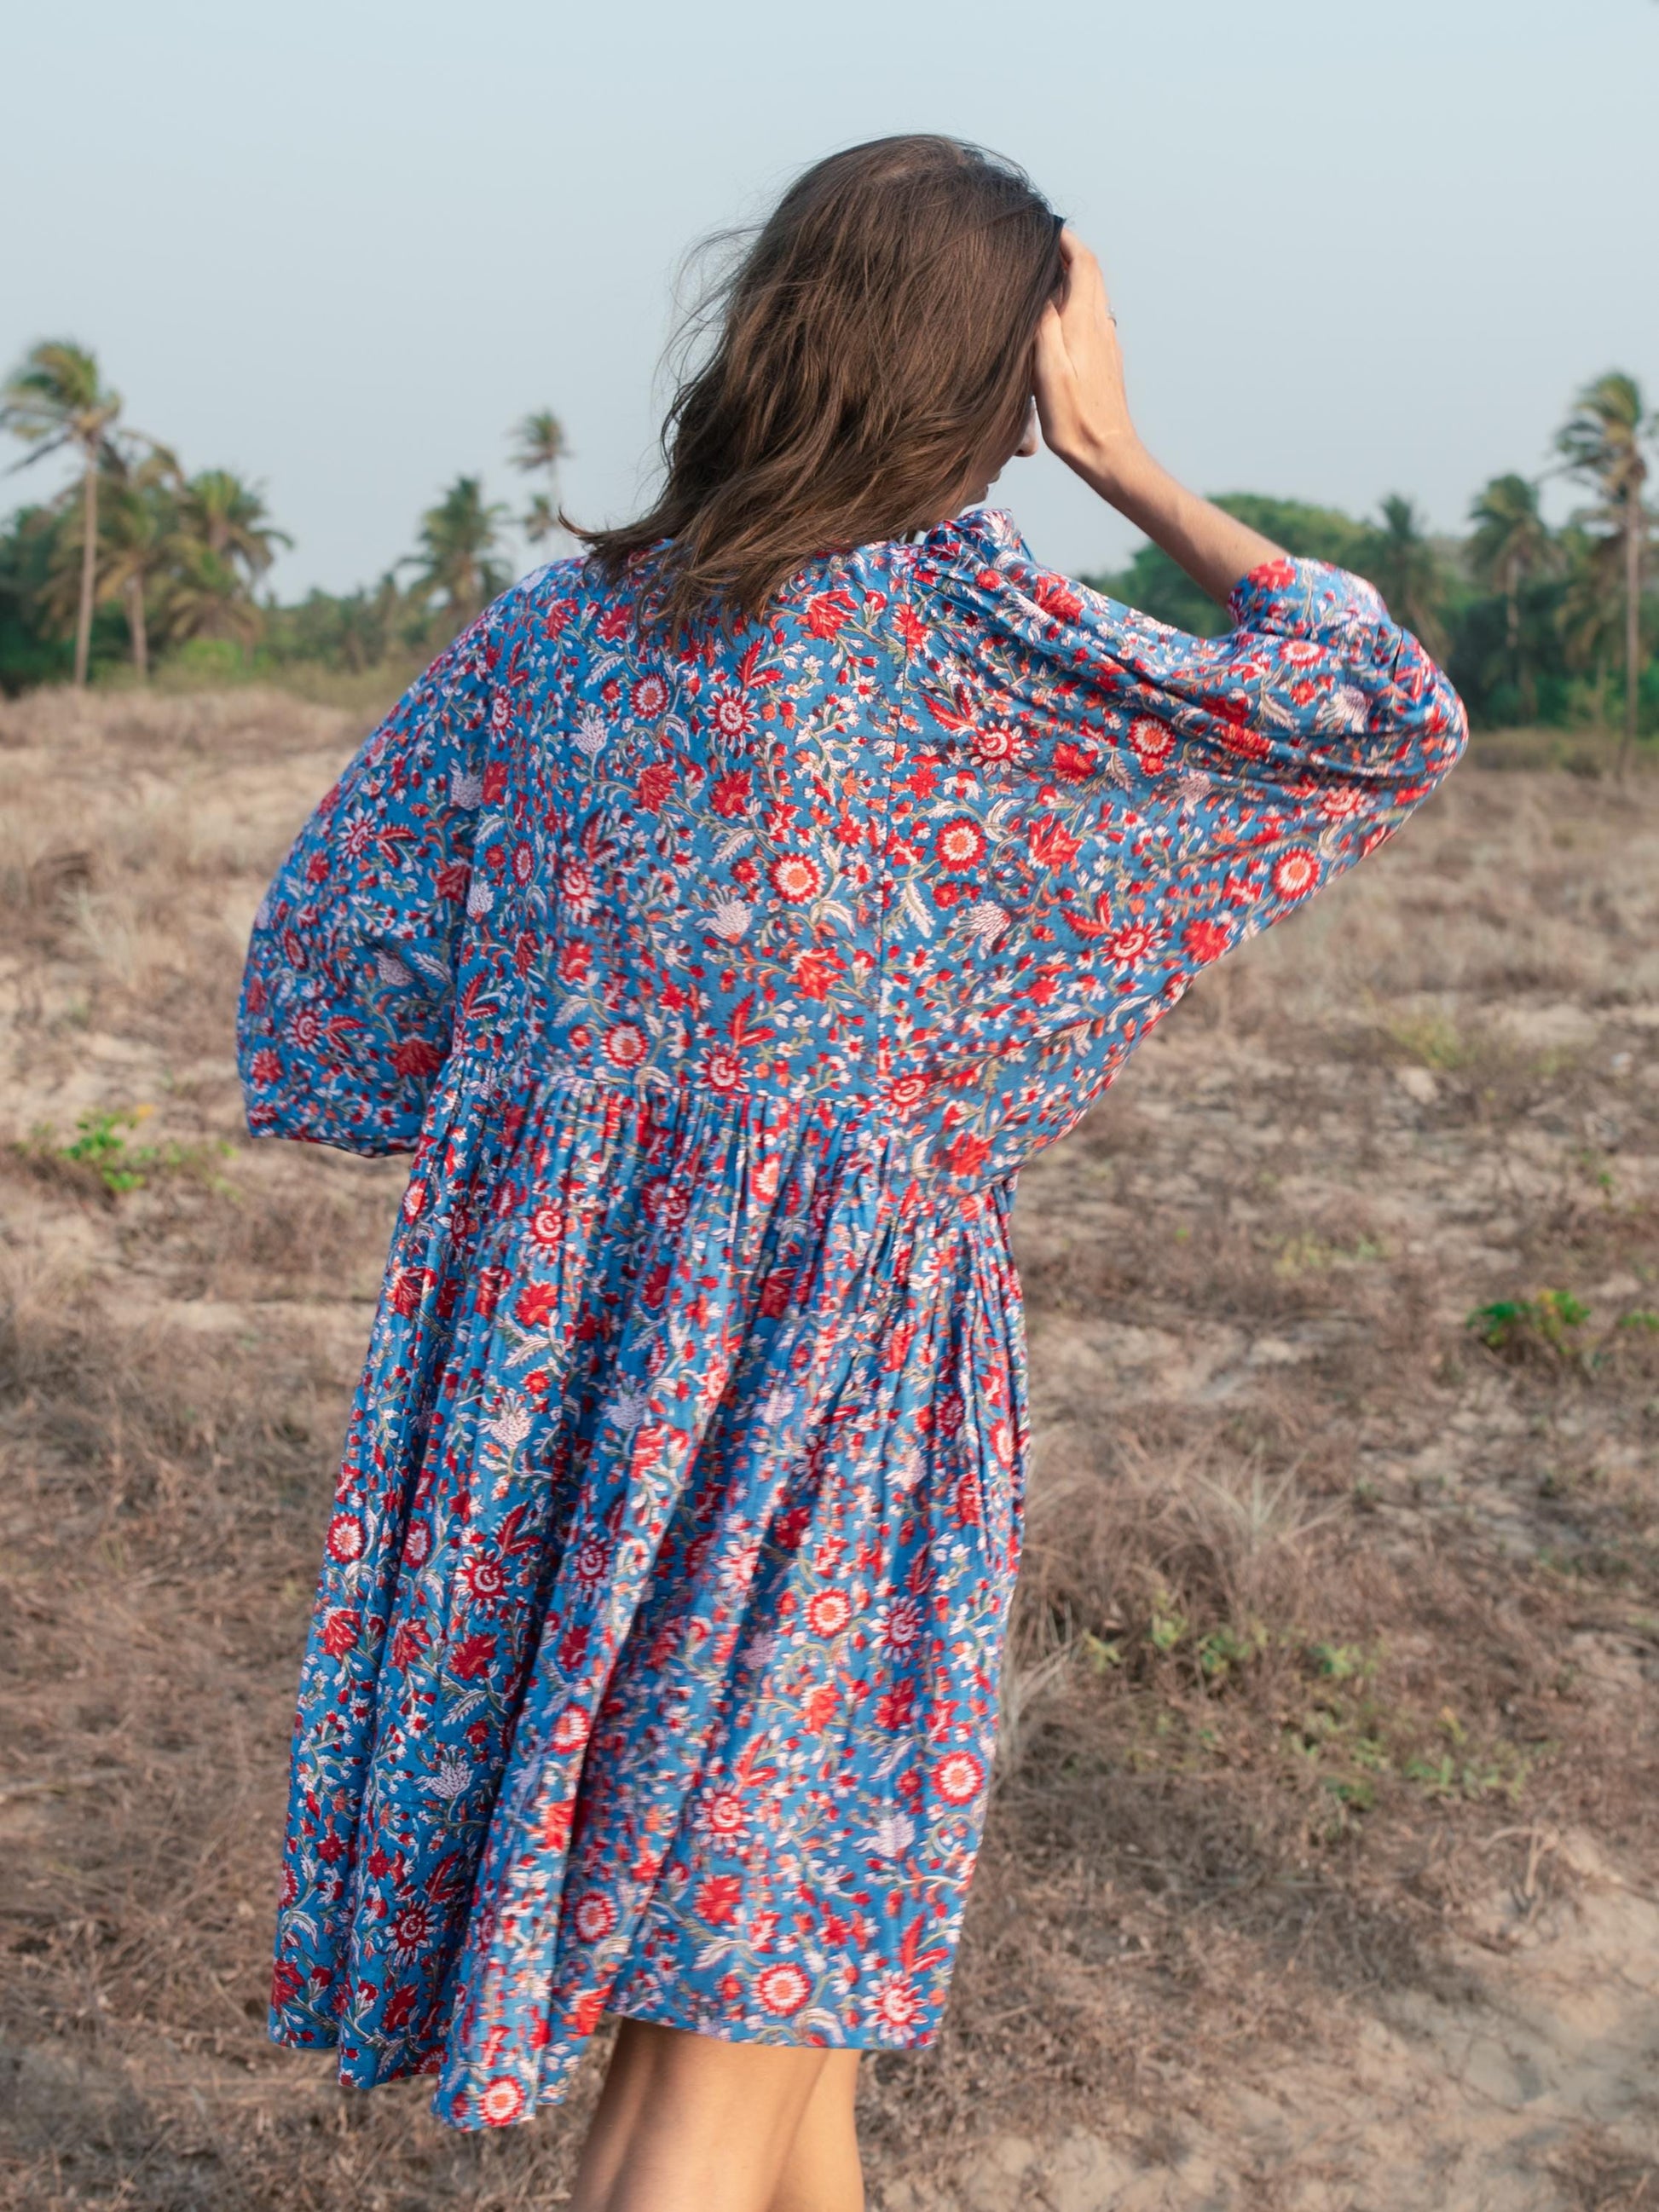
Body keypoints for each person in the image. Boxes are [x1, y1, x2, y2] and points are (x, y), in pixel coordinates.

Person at [238, 135, 1465, 2212]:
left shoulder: (550, 639)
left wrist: (577, 1153)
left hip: (542, 1392)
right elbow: (1378, 712)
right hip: (818, 1401)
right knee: (706, 2082)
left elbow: (333, 978)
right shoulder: (960, 637)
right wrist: (1132, 461)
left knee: (778, 2027)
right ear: (999, 372)